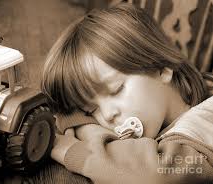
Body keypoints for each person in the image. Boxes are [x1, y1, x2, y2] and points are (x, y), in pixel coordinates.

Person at [41, 3, 213, 184]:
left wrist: (73, 150)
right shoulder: (161, 112)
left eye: (116, 89)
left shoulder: (205, 121)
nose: (108, 114)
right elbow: (66, 110)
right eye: (91, 110)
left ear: (162, 69)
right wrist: (89, 129)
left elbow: (154, 176)